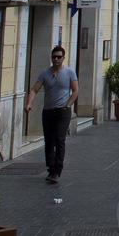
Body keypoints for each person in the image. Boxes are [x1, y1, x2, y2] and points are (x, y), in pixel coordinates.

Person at [25, 45, 78, 184]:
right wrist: (29, 103)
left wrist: (68, 105)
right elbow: (34, 89)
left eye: (59, 57)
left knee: (60, 139)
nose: (56, 59)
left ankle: (57, 170)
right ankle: (51, 167)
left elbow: (76, 90)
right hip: (48, 111)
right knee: (49, 141)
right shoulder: (45, 74)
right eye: (54, 57)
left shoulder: (70, 72)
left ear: (63, 58)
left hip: (63, 112)